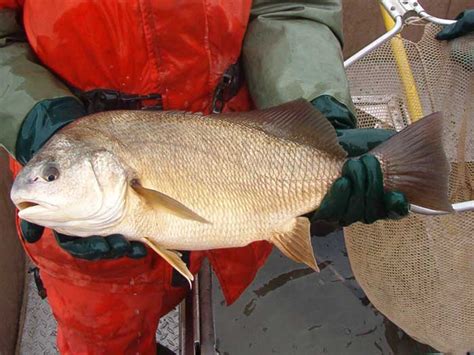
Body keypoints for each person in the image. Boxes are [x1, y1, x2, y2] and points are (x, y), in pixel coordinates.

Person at [0, 1, 471, 353]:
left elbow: (289, 5)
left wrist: (317, 104)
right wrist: (36, 122)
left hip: (240, 163)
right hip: (73, 196)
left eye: (54, 176)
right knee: (100, 336)